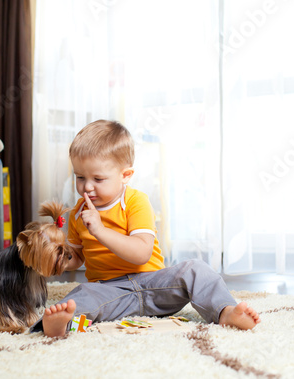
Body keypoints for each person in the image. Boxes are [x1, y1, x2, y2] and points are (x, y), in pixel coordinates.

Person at [41, 120, 260, 337]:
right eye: (80, 177)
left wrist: (100, 230)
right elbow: (78, 256)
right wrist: (58, 260)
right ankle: (63, 326)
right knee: (82, 293)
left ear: (125, 175)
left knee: (196, 269)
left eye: (98, 178)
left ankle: (225, 311)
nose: (87, 187)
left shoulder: (136, 202)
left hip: (155, 286)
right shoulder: (79, 212)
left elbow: (141, 254)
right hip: (110, 292)